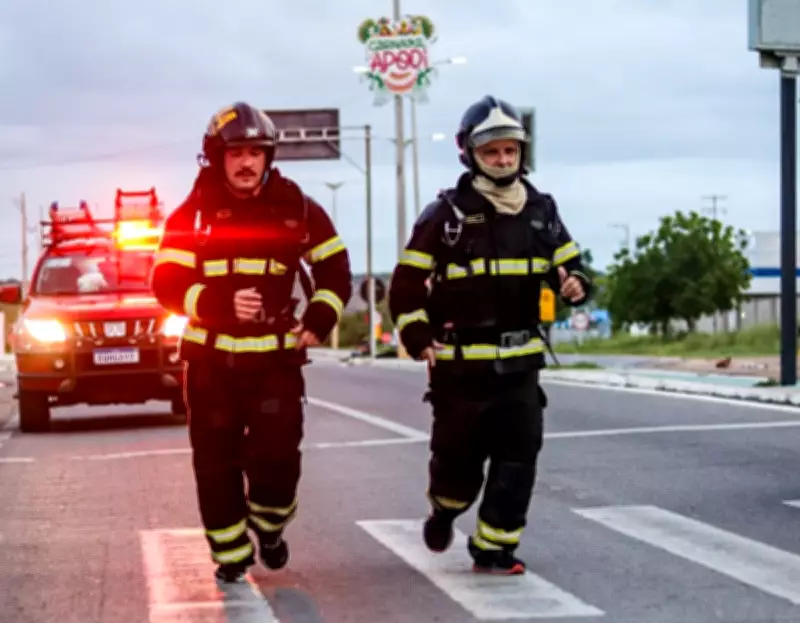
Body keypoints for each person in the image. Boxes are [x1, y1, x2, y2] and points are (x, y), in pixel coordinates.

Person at [388, 95, 591, 575]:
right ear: (470, 154)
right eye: (492, 152)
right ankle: (445, 510)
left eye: (510, 151)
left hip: (520, 367)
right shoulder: (444, 216)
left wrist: (577, 284)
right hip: (460, 372)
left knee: (518, 459)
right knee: (457, 466)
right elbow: (405, 287)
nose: (502, 160)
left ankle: (495, 547)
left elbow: (570, 265)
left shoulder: (542, 211)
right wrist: (418, 337)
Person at [151, 102, 352, 583]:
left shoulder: (298, 208)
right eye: (236, 153)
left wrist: (320, 317)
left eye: (256, 153)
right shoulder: (191, 215)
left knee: (279, 460)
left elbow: (335, 269)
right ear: (216, 157)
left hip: (275, 365)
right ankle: (230, 554)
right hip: (210, 367)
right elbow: (165, 282)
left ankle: (270, 525)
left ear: (268, 157)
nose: (246, 162)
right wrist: (218, 303)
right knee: (215, 465)